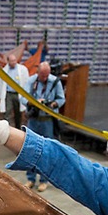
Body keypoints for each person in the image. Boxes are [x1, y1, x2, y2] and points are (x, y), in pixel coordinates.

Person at [24, 61, 65, 192]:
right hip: (34, 120)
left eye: (46, 75)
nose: (45, 78)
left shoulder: (55, 82)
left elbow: (61, 99)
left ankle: (44, 180)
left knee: (46, 151)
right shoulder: (31, 81)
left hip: (48, 121)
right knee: (30, 149)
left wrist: (51, 105)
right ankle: (30, 179)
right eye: (42, 75)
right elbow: (22, 97)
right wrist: (34, 103)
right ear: (38, 73)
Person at [0, 53, 29, 129]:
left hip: (19, 94)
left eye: (14, 60)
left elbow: (27, 82)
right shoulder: (4, 71)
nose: (14, 62)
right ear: (8, 61)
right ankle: (7, 129)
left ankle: (18, 129)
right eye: (12, 61)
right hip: (8, 94)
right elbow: (0, 84)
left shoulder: (23, 69)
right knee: (7, 112)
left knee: (19, 113)